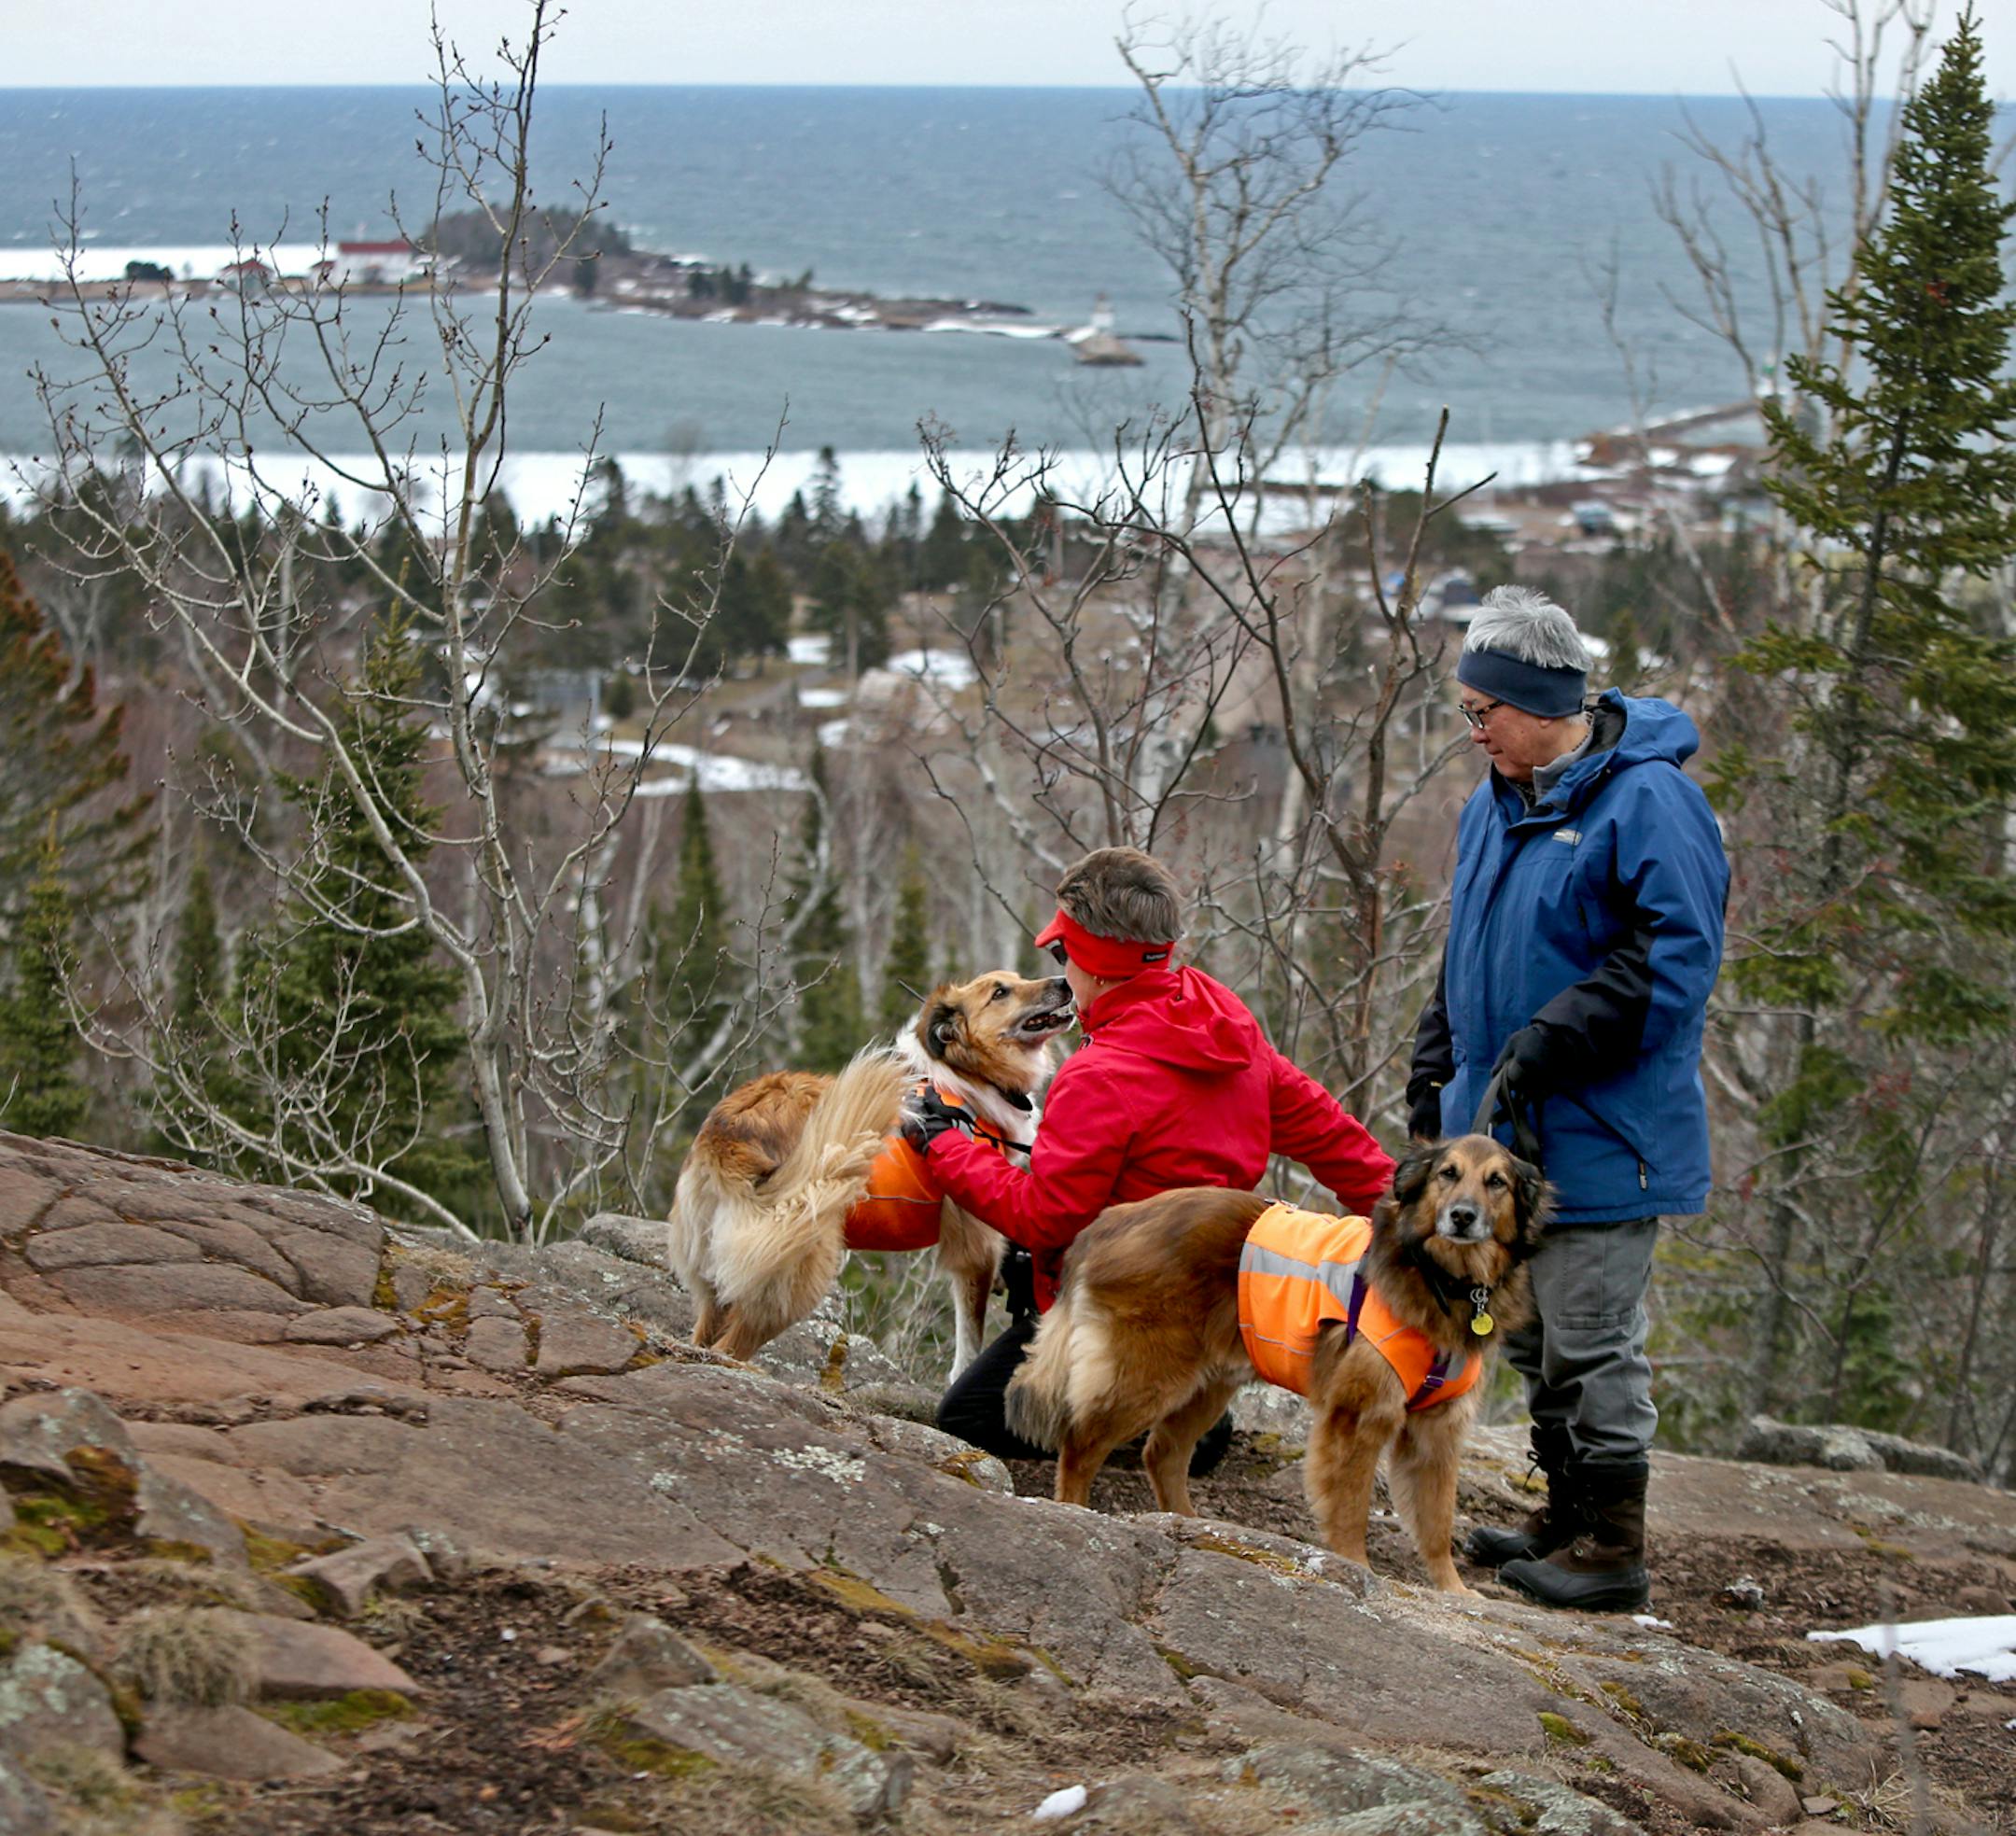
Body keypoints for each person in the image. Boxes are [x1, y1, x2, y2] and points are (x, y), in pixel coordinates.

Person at [1408, 585, 1728, 1612]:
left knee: (1592, 1334)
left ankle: (1615, 1548)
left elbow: (1676, 959)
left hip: (1604, 1129)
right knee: (1535, 1331)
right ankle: (1563, 1516)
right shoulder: (1495, 799)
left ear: (1543, 702)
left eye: (1482, 711)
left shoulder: (1647, 800)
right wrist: (1436, 1052)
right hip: (1506, 1133)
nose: (1474, 731)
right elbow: (1472, 947)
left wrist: (1558, 1035)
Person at [905, 846, 1394, 1466]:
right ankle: (1182, 1410)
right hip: (1212, 1309)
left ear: (1096, 963)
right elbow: (1335, 1141)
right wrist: (1413, 1216)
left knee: (967, 1416)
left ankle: (1135, 1418)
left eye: (1063, 954)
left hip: (1122, 1309)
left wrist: (945, 1141)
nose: (1061, 970)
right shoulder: (1224, 1021)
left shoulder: (1100, 1075)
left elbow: (1043, 1216)